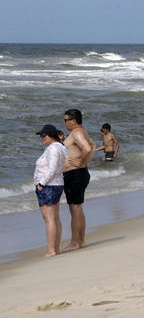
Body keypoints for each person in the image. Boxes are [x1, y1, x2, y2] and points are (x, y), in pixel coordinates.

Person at [62, 108, 96, 251]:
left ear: (73, 120)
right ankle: (81, 241)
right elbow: (93, 146)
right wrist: (84, 162)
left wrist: (81, 162)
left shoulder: (76, 133)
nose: (64, 123)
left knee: (75, 208)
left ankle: (75, 242)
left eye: (66, 120)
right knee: (78, 207)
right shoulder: (82, 131)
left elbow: (88, 148)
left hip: (75, 174)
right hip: (80, 173)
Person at [34, 124, 66, 257]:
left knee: (49, 219)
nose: (42, 138)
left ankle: (52, 250)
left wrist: (41, 183)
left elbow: (52, 169)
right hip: (54, 184)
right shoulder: (60, 147)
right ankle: (55, 249)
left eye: (43, 135)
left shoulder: (53, 148)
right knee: (54, 218)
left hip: (49, 186)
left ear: (50, 135)